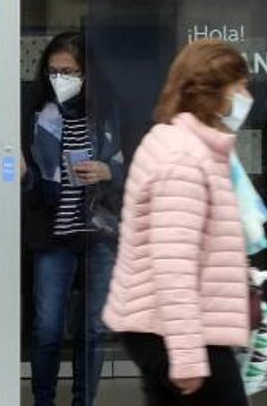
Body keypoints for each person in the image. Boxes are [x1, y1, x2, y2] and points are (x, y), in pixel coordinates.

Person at [103, 39, 251, 405]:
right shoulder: (183, 159)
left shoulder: (183, 145)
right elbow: (174, 264)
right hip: (177, 332)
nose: (247, 95)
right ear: (213, 93)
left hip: (170, 329)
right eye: (240, 87)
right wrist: (186, 356)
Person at [22, 31, 125, 406]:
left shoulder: (109, 112)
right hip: (52, 235)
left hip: (98, 233)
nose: (59, 78)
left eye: (69, 71)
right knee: (47, 327)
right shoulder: (33, 112)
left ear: (87, 73)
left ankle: (84, 401)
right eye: (53, 71)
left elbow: (135, 163)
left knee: (93, 329)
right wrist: (22, 175)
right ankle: (43, 400)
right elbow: (21, 172)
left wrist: (109, 172)